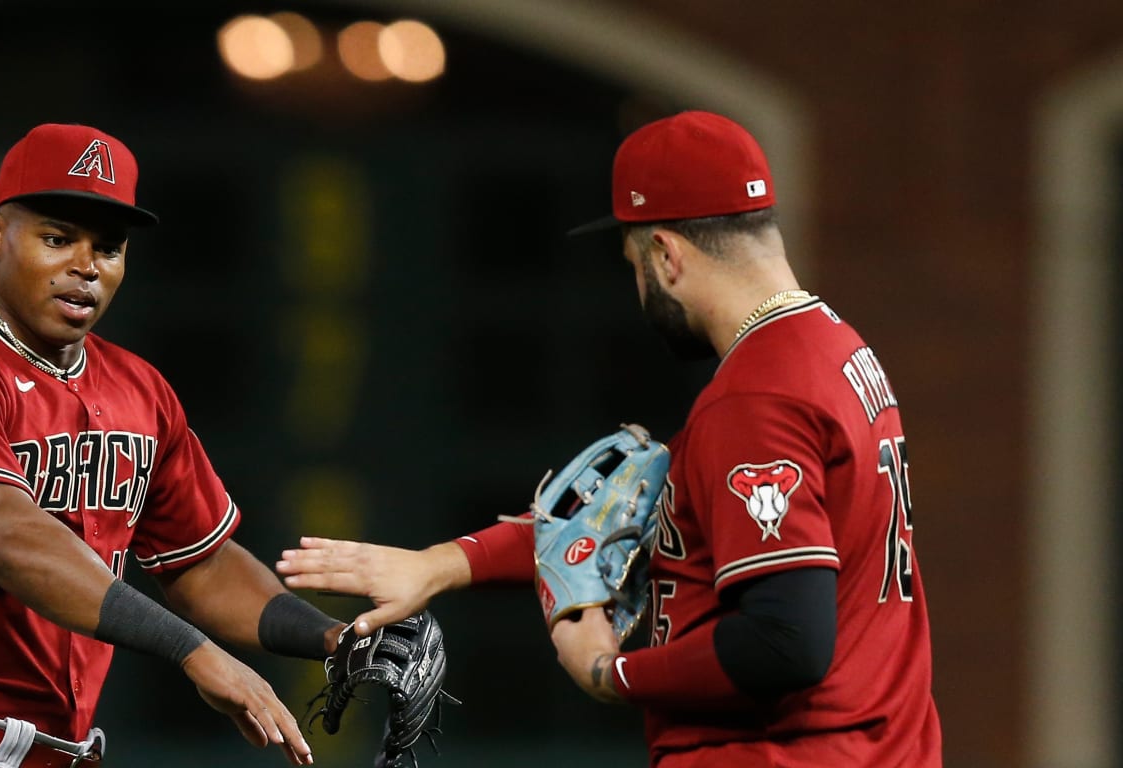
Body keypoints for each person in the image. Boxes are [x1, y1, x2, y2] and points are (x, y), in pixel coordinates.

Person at [277, 110, 942, 766]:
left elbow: (786, 641)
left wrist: (607, 670)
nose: (638, 287)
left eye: (633, 263)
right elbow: (627, 510)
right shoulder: (835, 350)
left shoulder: (756, 395)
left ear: (666, 253)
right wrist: (444, 564)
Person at [0, 122, 347, 768]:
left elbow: (201, 567)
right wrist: (192, 649)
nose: (85, 266)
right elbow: (6, 535)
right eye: (57, 237)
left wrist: (333, 638)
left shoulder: (140, 390)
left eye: (108, 247)